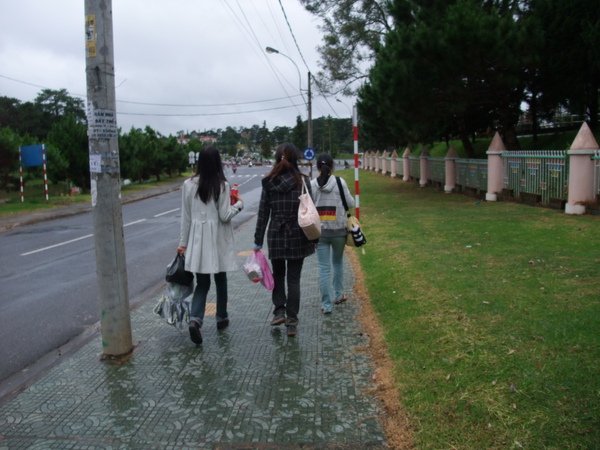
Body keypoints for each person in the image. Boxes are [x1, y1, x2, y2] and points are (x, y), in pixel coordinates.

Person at [177, 146, 244, 345]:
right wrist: (239, 204)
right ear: (217, 162)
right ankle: (221, 317)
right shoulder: (222, 185)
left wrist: (183, 243)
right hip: (217, 239)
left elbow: (186, 217)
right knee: (220, 278)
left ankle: (196, 319)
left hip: (197, 239)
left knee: (202, 282)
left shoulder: (188, 184)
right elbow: (225, 215)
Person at [254, 143, 315, 337]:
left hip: (276, 234)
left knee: (278, 274)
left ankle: (279, 310)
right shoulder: (303, 182)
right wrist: (314, 237)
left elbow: (263, 214)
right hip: (298, 234)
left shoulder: (268, 182)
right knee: (294, 278)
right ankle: (292, 321)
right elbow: (311, 212)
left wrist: (257, 241)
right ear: (296, 159)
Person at [311, 153, 355, 314]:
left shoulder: (312, 184)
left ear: (317, 167)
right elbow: (350, 203)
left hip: (320, 233)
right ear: (332, 167)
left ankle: (326, 305)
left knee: (323, 268)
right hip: (339, 231)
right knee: (337, 263)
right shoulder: (339, 182)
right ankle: (338, 295)